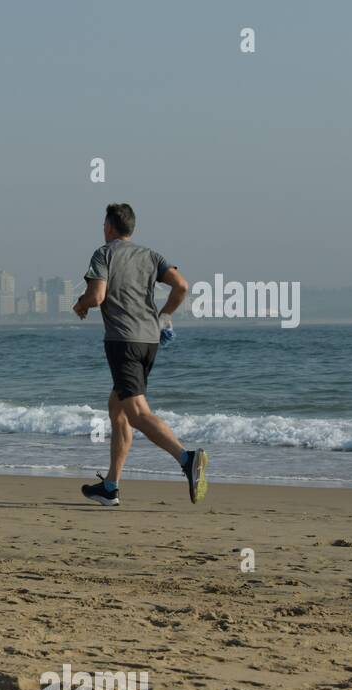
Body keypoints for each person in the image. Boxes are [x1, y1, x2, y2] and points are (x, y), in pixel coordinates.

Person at [72, 203, 207, 506]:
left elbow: (97, 296)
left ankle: (187, 459)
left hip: (123, 341)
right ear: (131, 228)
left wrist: (81, 303)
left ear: (109, 227)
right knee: (117, 409)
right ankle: (110, 487)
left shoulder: (103, 253)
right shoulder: (151, 255)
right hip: (150, 340)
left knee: (137, 414)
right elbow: (182, 286)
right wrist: (164, 316)